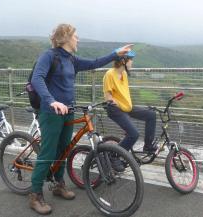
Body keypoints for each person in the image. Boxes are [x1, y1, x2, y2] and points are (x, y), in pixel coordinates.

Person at [29, 23, 133, 215]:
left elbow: (94, 63)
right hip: (51, 112)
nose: (78, 39)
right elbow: (38, 78)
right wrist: (52, 101)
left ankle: (59, 184)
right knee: (48, 152)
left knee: (63, 149)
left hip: (67, 111)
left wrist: (115, 53)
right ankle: (35, 195)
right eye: (75, 36)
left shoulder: (71, 59)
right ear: (66, 37)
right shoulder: (49, 56)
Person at [103, 50, 157, 171]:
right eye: (130, 60)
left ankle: (148, 146)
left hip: (127, 107)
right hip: (115, 109)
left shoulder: (125, 74)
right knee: (134, 134)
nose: (132, 62)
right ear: (123, 61)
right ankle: (114, 156)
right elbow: (108, 96)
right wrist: (113, 101)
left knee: (151, 115)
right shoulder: (110, 74)